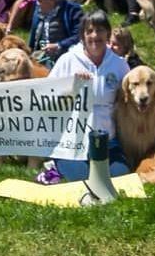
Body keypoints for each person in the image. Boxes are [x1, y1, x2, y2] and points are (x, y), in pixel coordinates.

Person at [43, 11, 130, 182]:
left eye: (100, 30)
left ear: (108, 33)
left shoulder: (119, 64)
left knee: (119, 177)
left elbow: (129, 98)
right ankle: (55, 164)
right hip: (73, 139)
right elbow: (46, 97)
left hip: (107, 139)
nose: (95, 35)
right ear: (82, 35)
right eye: (89, 31)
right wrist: (71, 87)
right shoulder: (67, 60)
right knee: (81, 179)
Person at [27, 0, 84, 65]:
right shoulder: (39, 10)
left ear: (51, 0)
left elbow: (79, 36)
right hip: (39, 57)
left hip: (64, 58)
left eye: (39, 0)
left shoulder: (73, 11)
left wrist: (59, 45)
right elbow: (33, 37)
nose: (37, 3)